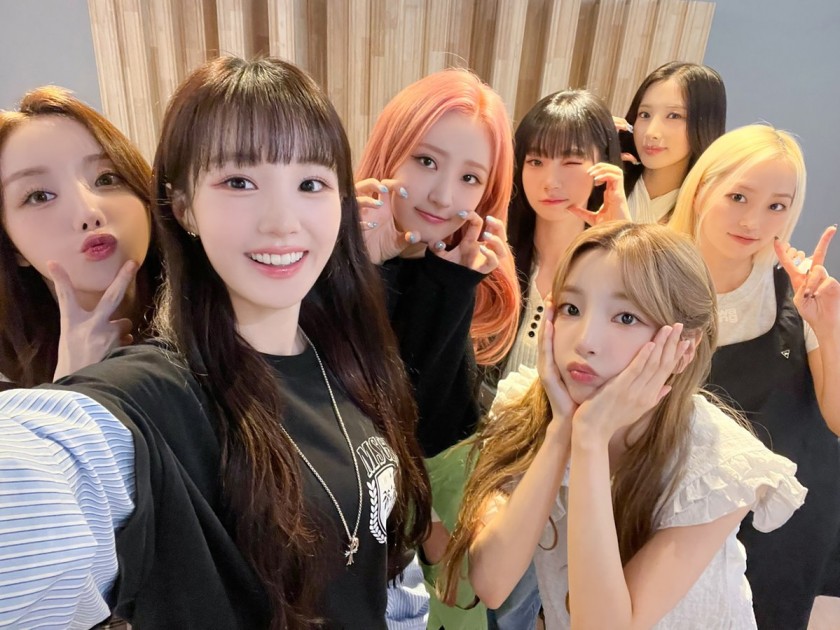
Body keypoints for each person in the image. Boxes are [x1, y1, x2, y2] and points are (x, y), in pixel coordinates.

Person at [0, 56, 431, 630]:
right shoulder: (151, 400)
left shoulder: (349, 356)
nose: (282, 221)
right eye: (239, 182)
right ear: (184, 208)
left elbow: (390, 571)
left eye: (311, 183)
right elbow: (46, 479)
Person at [443, 221, 806, 629]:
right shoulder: (528, 406)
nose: (586, 341)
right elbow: (492, 582)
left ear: (683, 347)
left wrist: (591, 439)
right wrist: (562, 431)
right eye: (571, 309)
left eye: (627, 317)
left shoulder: (716, 463)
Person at [355, 68, 520, 630]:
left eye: (470, 178)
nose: (445, 196)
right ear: (389, 153)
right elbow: (378, 418)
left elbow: (434, 422)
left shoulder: (451, 271)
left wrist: (451, 286)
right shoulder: (323, 264)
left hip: (440, 547)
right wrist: (367, 269)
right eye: (426, 161)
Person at [670, 123, 840, 629]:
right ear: (702, 189)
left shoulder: (799, 293)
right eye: (738, 196)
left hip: (776, 537)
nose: (753, 220)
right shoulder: (651, 279)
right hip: (672, 525)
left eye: (776, 206)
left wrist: (828, 328)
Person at [0, 86, 162, 387]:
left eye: (107, 178)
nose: (88, 213)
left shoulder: (220, 316)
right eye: (39, 196)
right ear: (11, 245)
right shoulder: (8, 387)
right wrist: (72, 385)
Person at [619, 61, 726, 223]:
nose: (651, 132)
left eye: (674, 116)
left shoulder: (708, 214)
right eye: (644, 114)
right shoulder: (604, 184)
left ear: (705, 124)